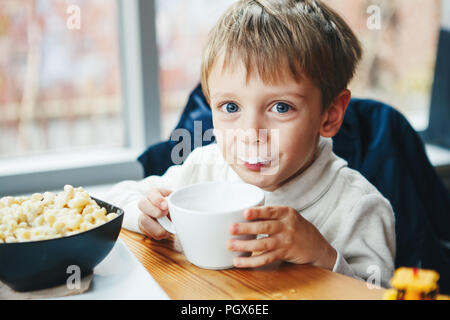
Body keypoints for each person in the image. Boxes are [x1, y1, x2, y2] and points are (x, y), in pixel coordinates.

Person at [103, 0, 395, 287]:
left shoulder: (360, 207)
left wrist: (323, 255)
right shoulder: (205, 168)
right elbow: (114, 201)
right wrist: (144, 214)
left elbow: (378, 293)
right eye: (231, 107)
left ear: (330, 115)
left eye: (281, 107)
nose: (250, 133)